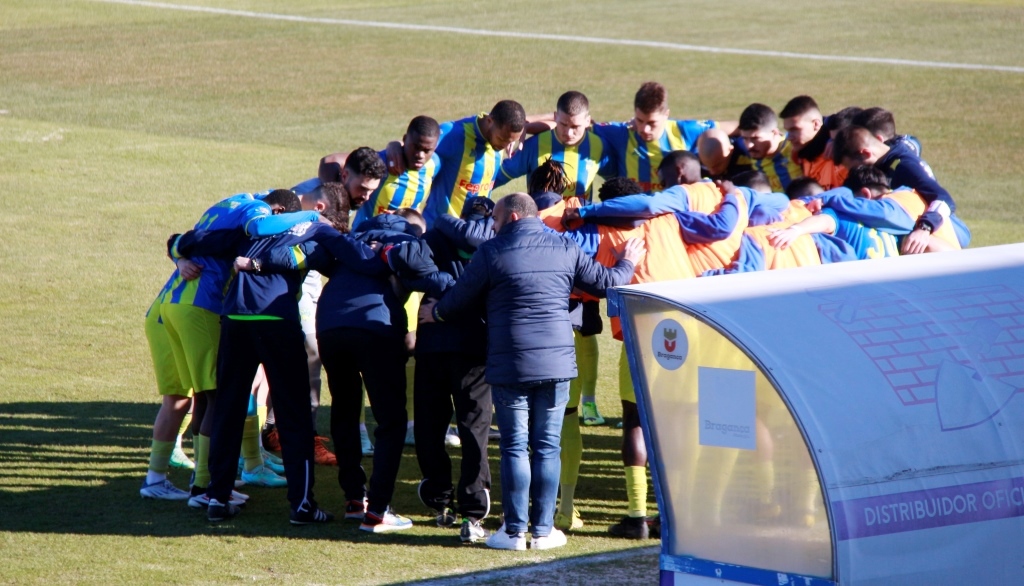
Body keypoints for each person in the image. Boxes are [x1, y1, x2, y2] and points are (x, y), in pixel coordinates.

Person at [420, 193, 645, 551]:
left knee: (514, 447)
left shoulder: (491, 252)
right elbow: (607, 284)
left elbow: (459, 299)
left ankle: (513, 532)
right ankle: (542, 532)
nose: (490, 225)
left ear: (510, 217)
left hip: (510, 363)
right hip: (557, 364)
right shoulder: (565, 247)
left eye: (494, 218)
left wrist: (438, 313)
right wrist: (629, 260)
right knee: (546, 446)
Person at [171, 183, 367, 524]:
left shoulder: (242, 232)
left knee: (228, 409)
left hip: (233, 321)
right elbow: (351, 257)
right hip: (277, 323)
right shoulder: (312, 232)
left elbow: (195, 239)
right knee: (294, 414)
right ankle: (302, 505)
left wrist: (177, 250)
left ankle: (217, 498)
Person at [140, 189, 318, 502]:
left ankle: (162, 480)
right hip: (201, 306)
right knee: (217, 397)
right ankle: (206, 487)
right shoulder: (256, 214)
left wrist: (178, 255)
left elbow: (181, 240)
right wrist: (315, 217)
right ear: (276, 210)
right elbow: (259, 228)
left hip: (167, 304)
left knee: (186, 397)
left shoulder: (230, 203)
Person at [831, 126, 971, 250]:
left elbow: (943, 200)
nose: (856, 171)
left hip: (944, 230)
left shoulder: (903, 166)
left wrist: (924, 229)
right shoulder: (892, 156)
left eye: (854, 166)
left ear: (866, 153)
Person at [593, 81, 735, 192]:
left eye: (652, 123)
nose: (644, 129)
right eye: (640, 120)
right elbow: (583, 127)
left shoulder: (685, 130)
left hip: (675, 220)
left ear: (666, 115)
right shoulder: (622, 133)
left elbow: (739, 127)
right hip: (634, 221)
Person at [418, 100, 526, 225]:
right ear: (489, 121)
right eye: (502, 139)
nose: (504, 146)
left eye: (510, 141)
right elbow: (412, 146)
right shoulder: (453, 134)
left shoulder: (502, 133)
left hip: (473, 233)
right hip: (440, 232)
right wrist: (395, 146)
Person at [495, 91, 614, 203]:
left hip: (581, 224)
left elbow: (616, 180)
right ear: (555, 117)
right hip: (541, 224)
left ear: (588, 121)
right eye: (563, 124)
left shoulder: (599, 146)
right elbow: (496, 178)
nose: (568, 133)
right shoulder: (534, 146)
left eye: (575, 126)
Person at [779, 95, 847, 190]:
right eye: (788, 131)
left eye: (795, 129)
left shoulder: (840, 152)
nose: (789, 137)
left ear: (816, 124)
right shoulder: (803, 153)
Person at [736, 103, 804, 192]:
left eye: (756, 138)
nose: (749, 145)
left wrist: (829, 142)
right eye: (745, 138)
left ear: (775, 133)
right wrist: (713, 124)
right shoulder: (751, 149)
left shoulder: (794, 147)